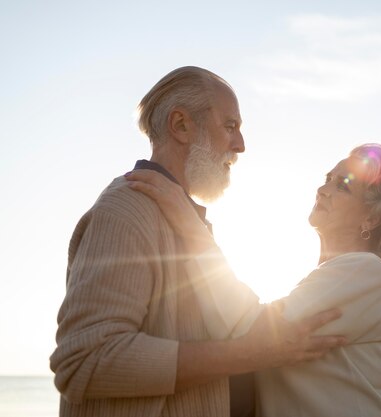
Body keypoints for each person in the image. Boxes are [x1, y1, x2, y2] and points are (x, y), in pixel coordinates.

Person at [49, 66, 346, 417]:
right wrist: (254, 353)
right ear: (181, 126)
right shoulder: (126, 210)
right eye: (230, 126)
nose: (241, 145)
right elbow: (84, 360)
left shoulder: (183, 219)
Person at [126, 143, 381, 416]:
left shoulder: (368, 273)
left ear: (371, 217)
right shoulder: (338, 277)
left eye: (342, 186)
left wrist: (189, 223)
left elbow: (252, 329)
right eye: (327, 179)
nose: (323, 189)